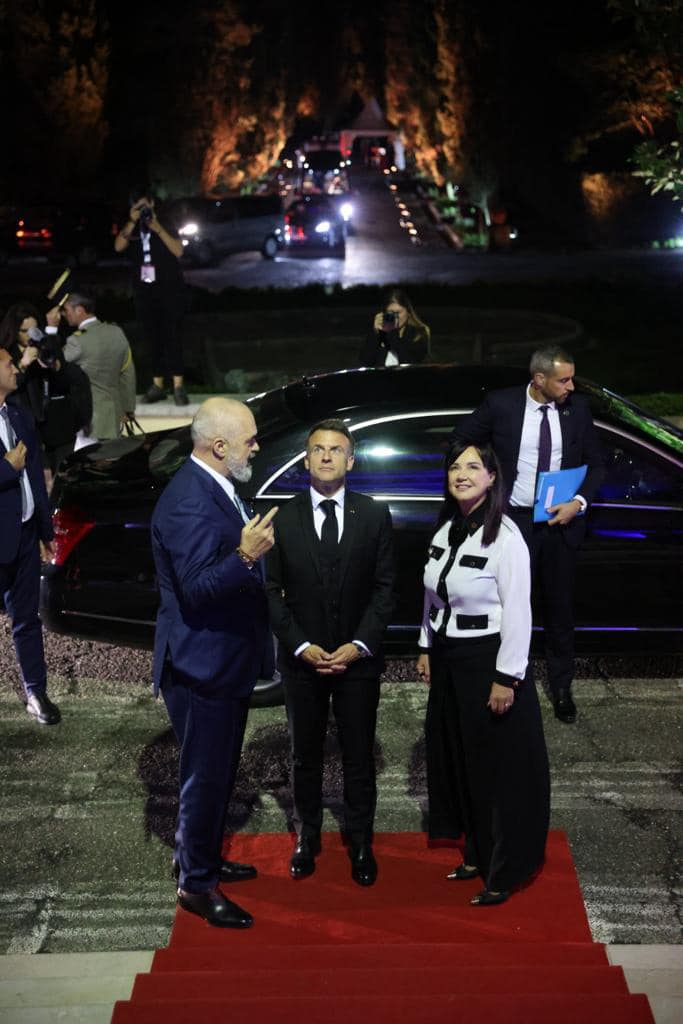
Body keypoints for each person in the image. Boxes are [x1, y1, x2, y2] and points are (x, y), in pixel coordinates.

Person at [151, 397, 277, 928]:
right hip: (202, 666)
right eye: (250, 439)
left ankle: (199, 855)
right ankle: (197, 884)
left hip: (224, 659)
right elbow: (198, 591)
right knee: (204, 778)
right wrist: (245, 555)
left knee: (218, 771)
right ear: (219, 446)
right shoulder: (188, 501)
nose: (257, 446)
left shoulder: (213, 485)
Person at [416, 441, 549, 906]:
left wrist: (507, 677)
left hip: (488, 660)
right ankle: (475, 851)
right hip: (449, 657)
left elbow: (519, 613)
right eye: (455, 466)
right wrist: (425, 645)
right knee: (460, 759)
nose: (462, 474)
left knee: (498, 768)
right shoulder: (446, 528)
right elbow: (432, 594)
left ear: (492, 478)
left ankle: (504, 870)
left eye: (473, 467)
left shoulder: (506, 537)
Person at [266, 418, 394, 887]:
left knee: (359, 755)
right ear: (306, 460)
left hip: (358, 663)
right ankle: (308, 835)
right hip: (303, 663)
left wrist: (358, 646)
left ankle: (360, 840)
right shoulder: (284, 518)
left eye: (335, 449)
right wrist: (301, 645)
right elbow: (271, 591)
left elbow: (385, 590)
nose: (325, 456)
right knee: (304, 754)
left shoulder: (374, 515)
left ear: (350, 461)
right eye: (318, 449)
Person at [451, 345, 604, 723]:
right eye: (563, 380)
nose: (571, 386)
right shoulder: (501, 405)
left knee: (559, 609)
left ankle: (561, 688)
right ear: (539, 379)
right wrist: (482, 482)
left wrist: (578, 503)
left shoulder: (577, 409)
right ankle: (503, 679)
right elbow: (460, 439)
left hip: (558, 523)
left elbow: (596, 465)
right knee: (508, 605)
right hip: (511, 521)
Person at [0, 347, 60, 726]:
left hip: (23, 536)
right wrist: (6, 469)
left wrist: (44, 530)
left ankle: (36, 692)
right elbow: (15, 469)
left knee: (27, 619)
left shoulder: (18, 415)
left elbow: (36, 476)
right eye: (7, 364)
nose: (14, 368)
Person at [114, 189, 188, 406]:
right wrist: (131, 221)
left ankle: (178, 385)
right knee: (152, 337)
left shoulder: (165, 221)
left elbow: (178, 251)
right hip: (144, 290)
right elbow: (118, 246)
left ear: (153, 203)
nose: (142, 210)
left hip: (169, 288)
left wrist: (157, 228)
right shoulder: (133, 227)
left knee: (172, 335)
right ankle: (157, 385)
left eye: (145, 205)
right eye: (138, 207)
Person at [1, 303, 92, 480]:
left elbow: (67, 382)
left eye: (34, 330)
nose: (30, 335)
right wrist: (22, 365)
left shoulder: (47, 346)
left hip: (56, 425)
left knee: (64, 477)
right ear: (14, 331)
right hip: (26, 426)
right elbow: (6, 388)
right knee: (39, 479)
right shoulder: (6, 355)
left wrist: (55, 367)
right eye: (24, 331)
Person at [58, 292, 136, 442]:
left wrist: (51, 330)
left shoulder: (77, 341)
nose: (63, 314)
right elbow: (127, 372)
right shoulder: (116, 332)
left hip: (88, 420)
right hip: (114, 415)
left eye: (66, 310)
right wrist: (128, 408)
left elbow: (55, 365)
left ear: (79, 310)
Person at [358, 288, 431, 367]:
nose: (395, 317)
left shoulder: (418, 333)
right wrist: (375, 334)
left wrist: (392, 332)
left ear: (408, 312)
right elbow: (365, 363)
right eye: (391, 313)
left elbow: (410, 363)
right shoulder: (379, 333)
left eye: (398, 312)